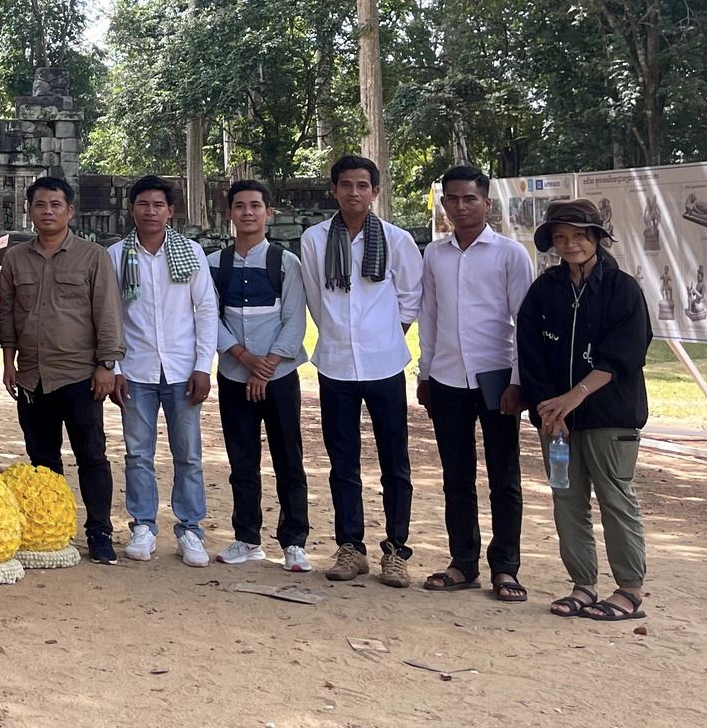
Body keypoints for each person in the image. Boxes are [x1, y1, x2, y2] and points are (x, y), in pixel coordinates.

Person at [518, 198, 654, 622]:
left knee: (616, 497)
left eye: (578, 235)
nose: (570, 244)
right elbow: (530, 352)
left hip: (610, 416)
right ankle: (583, 584)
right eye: (560, 237)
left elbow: (625, 355)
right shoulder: (545, 289)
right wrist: (547, 409)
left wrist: (575, 395)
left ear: (596, 237)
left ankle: (629, 590)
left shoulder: (622, 288)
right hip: (556, 419)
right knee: (567, 499)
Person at [299, 154, 425, 587]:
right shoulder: (315, 240)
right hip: (335, 365)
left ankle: (396, 550)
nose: (354, 192)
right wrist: (337, 334)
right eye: (346, 184)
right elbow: (315, 297)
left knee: (395, 462)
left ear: (375, 191)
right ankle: (350, 547)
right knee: (343, 463)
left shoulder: (396, 239)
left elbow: (410, 295)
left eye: (363, 185)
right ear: (333, 190)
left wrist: (390, 334)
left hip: (385, 363)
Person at [417, 165, 535, 602]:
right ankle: (462, 563)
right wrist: (425, 373)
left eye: (470, 198)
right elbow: (429, 317)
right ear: (443, 203)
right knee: (456, 476)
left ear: (487, 202)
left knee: (504, 477)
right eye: (452, 198)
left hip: (497, 378)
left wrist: (520, 382)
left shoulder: (510, 254)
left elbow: (524, 322)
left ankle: (505, 567)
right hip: (446, 378)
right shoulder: (434, 254)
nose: (461, 206)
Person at [0, 173, 126, 564]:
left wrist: (107, 365)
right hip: (32, 377)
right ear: (29, 211)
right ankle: (53, 529)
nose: (47, 211)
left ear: (70, 210)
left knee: (92, 456)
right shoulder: (16, 259)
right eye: (40, 205)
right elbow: (7, 315)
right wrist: (8, 363)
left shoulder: (93, 256)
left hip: (80, 376)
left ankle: (100, 532)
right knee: (43, 462)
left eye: (55, 205)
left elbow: (107, 313)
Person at [109, 176, 218, 568]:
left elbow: (205, 312)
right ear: (132, 209)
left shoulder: (189, 252)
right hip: (135, 369)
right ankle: (143, 525)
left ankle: (190, 529)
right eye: (143, 204)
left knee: (188, 454)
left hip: (182, 369)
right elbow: (110, 317)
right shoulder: (116, 255)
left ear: (171, 211)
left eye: (159, 204)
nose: (150, 211)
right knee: (138, 452)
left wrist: (203, 367)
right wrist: (115, 367)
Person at [209, 179, 312, 571]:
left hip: (280, 376)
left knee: (289, 458)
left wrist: (266, 366)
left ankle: (295, 541)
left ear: (268, 213)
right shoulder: (215, 264)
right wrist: (243, 358)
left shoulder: (285, 262)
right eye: (239, 206)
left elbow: (294, 319)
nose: (247, 213)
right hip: (235, 375)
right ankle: (246, 537)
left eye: (255, 205)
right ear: (229, 213)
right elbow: (211, 318)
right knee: (242, 460)